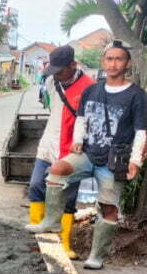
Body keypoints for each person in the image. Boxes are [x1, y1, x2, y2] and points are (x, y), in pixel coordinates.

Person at [27, 41, 147, 270]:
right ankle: (52, 222)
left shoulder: (136, 95)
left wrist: (136, 160)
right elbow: (81, 119)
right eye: (109, 59)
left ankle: (97, 256)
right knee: (57, 170)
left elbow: (141, 131)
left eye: (118, 59)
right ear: (103, 62)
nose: (113, 64)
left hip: (114, 160)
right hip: (88, 153)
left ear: (127, 63)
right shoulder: (92, 90)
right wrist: (77, 140)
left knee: (108, 207)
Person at [26, 45, 95, 259]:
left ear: (73, 65)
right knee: (37, 185)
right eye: (53, 70)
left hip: (72, 148)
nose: (56, 74)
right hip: (49, 143)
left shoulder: (90, 88)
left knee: (68, 195)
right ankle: (41, 237)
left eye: (61, 70)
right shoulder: (51, 82)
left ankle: (64, 242)